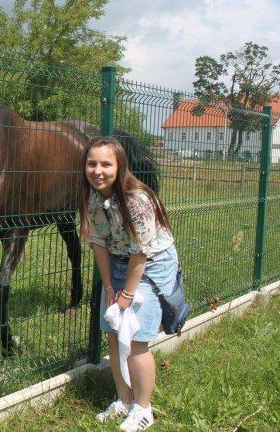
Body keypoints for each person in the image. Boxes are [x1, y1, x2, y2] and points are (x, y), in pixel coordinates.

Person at [78, 137, 179, 431]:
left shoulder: (137, 199)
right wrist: (110, 288)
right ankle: (123, 399)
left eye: (106, 164)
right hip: (120, 260)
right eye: (92, 163)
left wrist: (128, 294)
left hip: (150, 263)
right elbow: (98, 244)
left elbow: (141, 251)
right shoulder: (94, 197)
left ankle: (143, 409)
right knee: (112, 329)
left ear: (119, 166)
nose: (98, 170)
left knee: (135, 338)